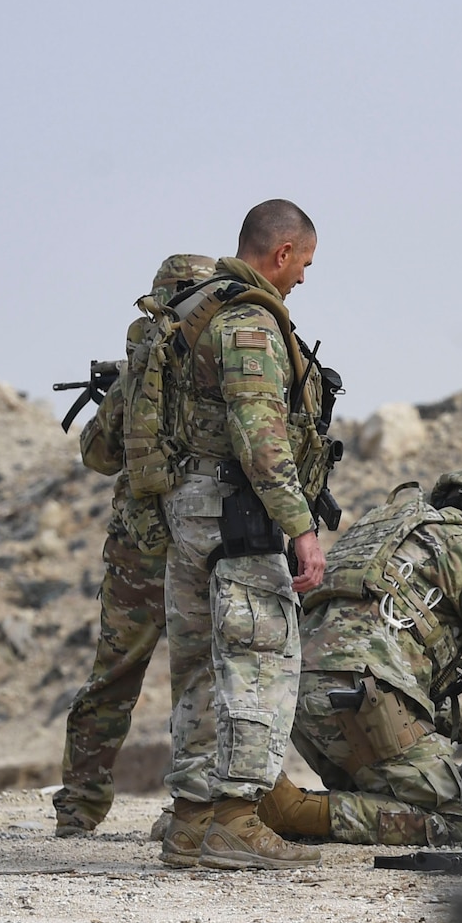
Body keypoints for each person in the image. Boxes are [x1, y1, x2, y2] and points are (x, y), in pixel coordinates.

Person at [159, 200, 337, 871]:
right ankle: (235, 819)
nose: (301, 280)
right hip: (240, 517)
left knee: (200, 666)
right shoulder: (251, 322)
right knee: (260, 659)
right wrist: (301, 529)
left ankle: (190, 823)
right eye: (304, 264)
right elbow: (260, 437)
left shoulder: (198, 309)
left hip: (193, 510)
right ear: (282, 252)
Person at [290, 468, 462, 847]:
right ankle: (288, 810)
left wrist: (460, 724)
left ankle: (263, 808)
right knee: (453, 819)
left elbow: (373, 650)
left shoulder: (376, 530)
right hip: (362, 697)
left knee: (391, 802)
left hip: (299, 696)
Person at [54, 252, 216, 836]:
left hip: (140, 547)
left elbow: (97, 455)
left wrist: (115, 400)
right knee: (204, 679)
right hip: (208, 544)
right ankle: (196, 811)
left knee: (114, 678)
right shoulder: (226, 358)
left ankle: (78, 808)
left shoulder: (144, 362)